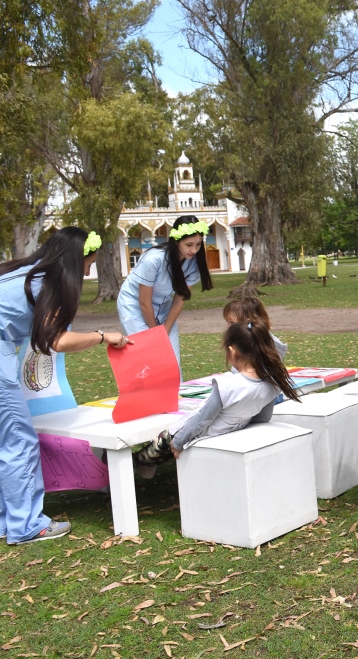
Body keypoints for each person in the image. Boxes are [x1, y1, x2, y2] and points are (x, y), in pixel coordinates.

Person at [0, 228, 131, 544]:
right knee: (19, 442)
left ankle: (8, 521)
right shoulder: (47, 284)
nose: (87, 271)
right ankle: (28, 525)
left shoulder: (22, 271)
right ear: (74, 260)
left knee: (6, 443)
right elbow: (57, 340)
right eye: (87, 265)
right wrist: (103, 336)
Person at [134, 321, 300, 467]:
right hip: (225, 432)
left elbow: (202, 419)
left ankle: (129, 466)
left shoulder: (229, 386)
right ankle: (146, 468)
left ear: (232, 352)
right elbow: (264, 417)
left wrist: (177, 442)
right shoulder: (271, 383)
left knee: (148, 453)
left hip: (189, 435)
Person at [116, 215, 214, 374]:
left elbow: (180, 298)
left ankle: (176, 397)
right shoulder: (154, 259)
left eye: (198, 244)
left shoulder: (195, 262)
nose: (194, 250)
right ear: (176, 241)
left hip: (163, 307)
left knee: (172, 363)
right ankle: (146, 397)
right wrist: (155, 334)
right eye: (189, 245)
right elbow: (144, 302)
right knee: (148, 357)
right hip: (134, 306)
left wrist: (165, 329)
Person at [223, 297, 287, 363]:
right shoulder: (239, 339)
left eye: (232, 322)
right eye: (227, 321)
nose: (228, 326)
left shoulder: (263, 342)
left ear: (249, 320)